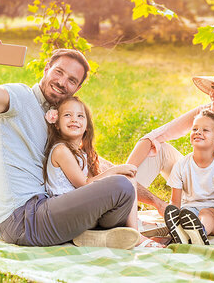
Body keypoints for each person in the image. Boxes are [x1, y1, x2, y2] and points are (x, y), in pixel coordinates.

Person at [0, 39, 140, 249]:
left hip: (50, 209)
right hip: (23, 218)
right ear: (47, 68)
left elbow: (97, 164)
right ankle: (104, 232)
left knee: (123, 194)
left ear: (77, 87)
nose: (62, 82)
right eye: (58, 72)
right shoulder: (20, 99)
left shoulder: (60, 121)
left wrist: (156, 202)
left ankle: (93, 236)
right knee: (119, 187)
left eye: (71, 80)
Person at [127, 63, 214, 258]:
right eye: (213, 87)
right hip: (203, 190)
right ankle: (121, 204)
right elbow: (154, 137)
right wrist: (126, 173)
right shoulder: (206, 112)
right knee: (161, 150)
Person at [42, 95, 163, 247]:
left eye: (80, 116)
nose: (74, 119)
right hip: (67, 213)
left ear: (87, 126)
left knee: (125, 187)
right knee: (125, 180)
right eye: (67, 115)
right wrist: (115, 170)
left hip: (82, 211)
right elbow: (84, 184)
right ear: (57, 124)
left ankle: (106, 234)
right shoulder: (61, 150)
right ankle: (136, 236)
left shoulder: (81, 153)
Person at [164, 109, 214, 246]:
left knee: (206, 213)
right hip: (188, 209)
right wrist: (174, 216)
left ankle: (200, 232)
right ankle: (182, 232)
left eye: (205, 130)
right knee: (185, 214)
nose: (198, 132)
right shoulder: (181, 166)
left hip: (213, 208)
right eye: (195, 129)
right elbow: (175, 202)